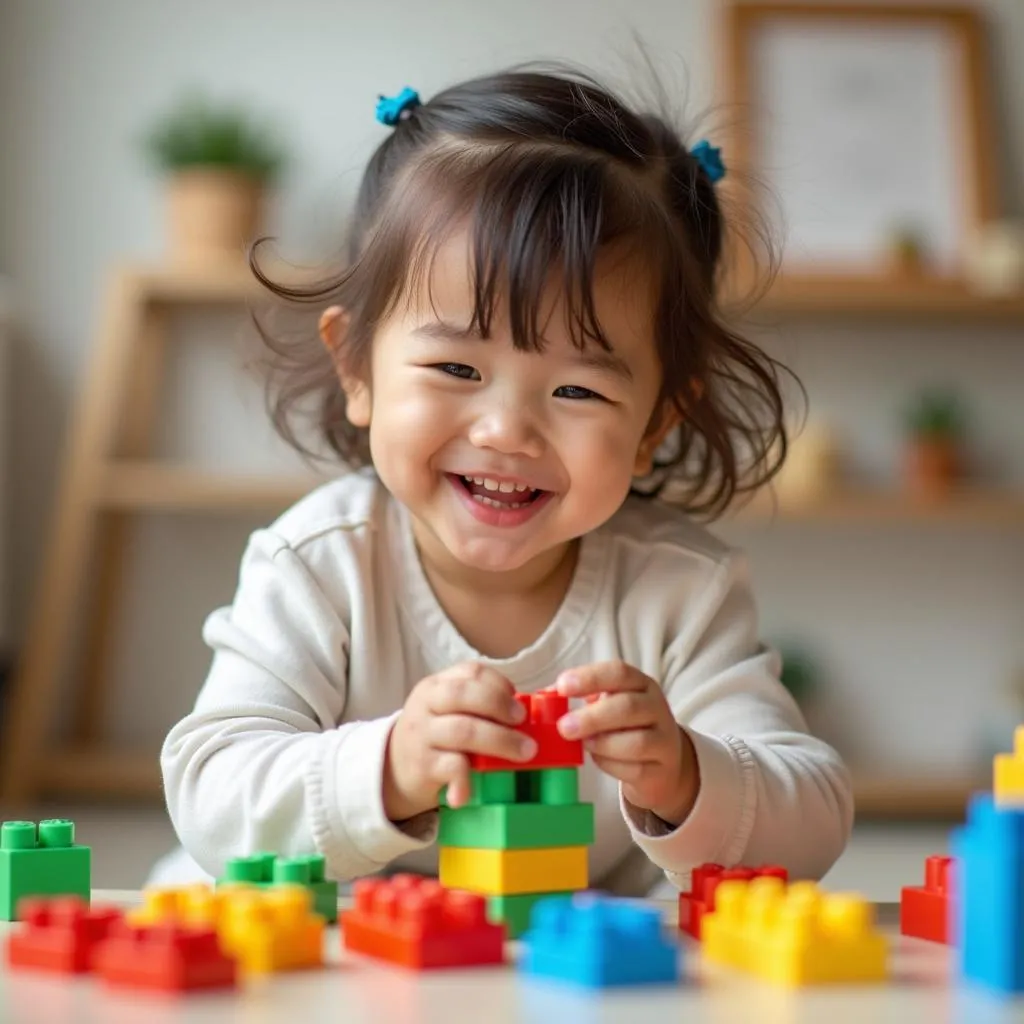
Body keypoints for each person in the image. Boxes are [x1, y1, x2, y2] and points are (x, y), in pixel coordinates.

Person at [151, 67, 852, 893]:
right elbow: (211, 793)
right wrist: (389, 766)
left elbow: (812, 815)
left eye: (578, 390)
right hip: (335, 950)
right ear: (357, 367)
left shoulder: (677, 591)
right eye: (455, 365)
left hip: (560, 965)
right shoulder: (318, 564)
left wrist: (688, 777)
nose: (506, 431)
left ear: (655, 424)